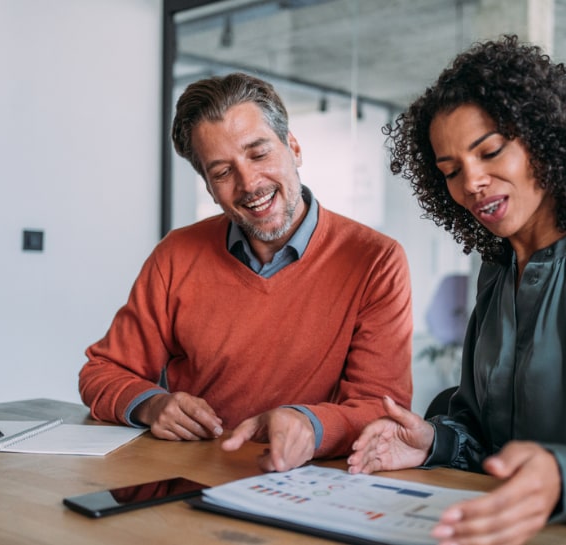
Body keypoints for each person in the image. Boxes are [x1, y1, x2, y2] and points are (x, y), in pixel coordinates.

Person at [347, 35, 566, 544]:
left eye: (490, 150)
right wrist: (431, 442)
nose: (471, 182)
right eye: (450, 171)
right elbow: (484, 435)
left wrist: (564, 477)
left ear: (544, 139)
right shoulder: (495, 271)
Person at [79, 72, 413, 472]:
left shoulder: (376, 260)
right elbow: (102, 371)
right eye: (222, 172)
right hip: (185, 479)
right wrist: (151, 405)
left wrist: (310, 424)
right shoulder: (175, 255)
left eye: (259, 154)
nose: (249, 183)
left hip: (307, 482)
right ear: (208, 186)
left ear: (293, 147)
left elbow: (382, 407)